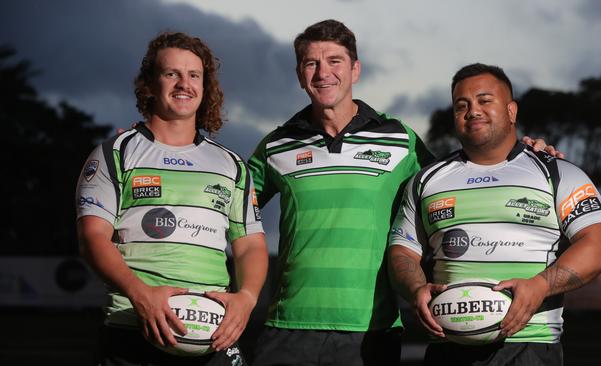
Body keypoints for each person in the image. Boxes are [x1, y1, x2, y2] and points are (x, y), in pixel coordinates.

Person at [248, 20, 558, 366]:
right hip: (287, 328)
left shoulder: (400, 140)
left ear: (355, 69)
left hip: (372, 332)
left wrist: (523, 152)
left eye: (335, 61)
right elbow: (227, 210)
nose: (323, 73)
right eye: (311, 63)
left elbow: (456, 180)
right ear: (299, 73)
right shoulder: (277, 145)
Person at [388, 63, 601, 365]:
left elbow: (600, 245)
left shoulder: (557, 173)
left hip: (529, 347)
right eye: (461, 105)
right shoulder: (426, 181)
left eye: (485, 100)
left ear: (511, 111)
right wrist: (416, 288)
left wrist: (540, 285)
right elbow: (402, 250)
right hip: (447, 348)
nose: (473, 111)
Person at [76, 32, 268, 366]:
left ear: (205, 87)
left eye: (194, 75)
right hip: (133, 329)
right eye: (171, 74)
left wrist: (247, 298)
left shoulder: (232, 165)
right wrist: (141, 295)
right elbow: (92, 238)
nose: (184, 84)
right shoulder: (114, 154)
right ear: (149, 84)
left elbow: (250, 245)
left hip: (213, 334)